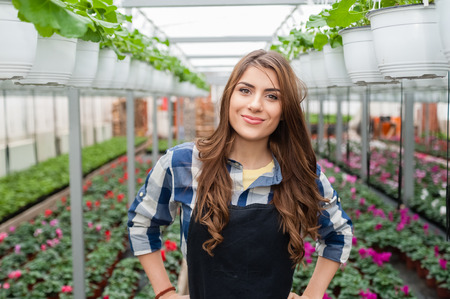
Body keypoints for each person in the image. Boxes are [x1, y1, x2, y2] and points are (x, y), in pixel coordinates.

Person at [128, 49, 353, 299]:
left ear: (284, 110)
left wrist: (311, 295)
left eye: (272, 96)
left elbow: (337, 233)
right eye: (245, 90)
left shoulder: (299, 173)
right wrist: (165, 293)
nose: (255, 105)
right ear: (228, 97)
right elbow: (143, 223)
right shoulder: (182, 164)